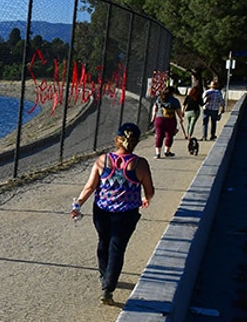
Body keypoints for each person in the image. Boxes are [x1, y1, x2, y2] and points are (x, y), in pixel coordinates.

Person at [70, 122, 155, 305]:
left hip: (101, 211)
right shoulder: (140, 164)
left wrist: (77, 204)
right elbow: (149, 189)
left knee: (103, 242)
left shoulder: (103, 160)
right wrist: (147, 198)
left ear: (117, 139)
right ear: (136, 142)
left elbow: (90, 186)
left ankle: (104, 276)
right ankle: (108, 288)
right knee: (117, 247)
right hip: (127, 213)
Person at [150, 86, 181, 158]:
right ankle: (167, 151)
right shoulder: (174, 100)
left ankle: (158, 153)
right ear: (173, 93)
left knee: (159, 136)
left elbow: (155, 109)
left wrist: (153, 118)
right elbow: (178, 111)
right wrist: (181, 118)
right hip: (171, 119)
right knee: (169, 136)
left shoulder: (159, 98)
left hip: (159, 119)